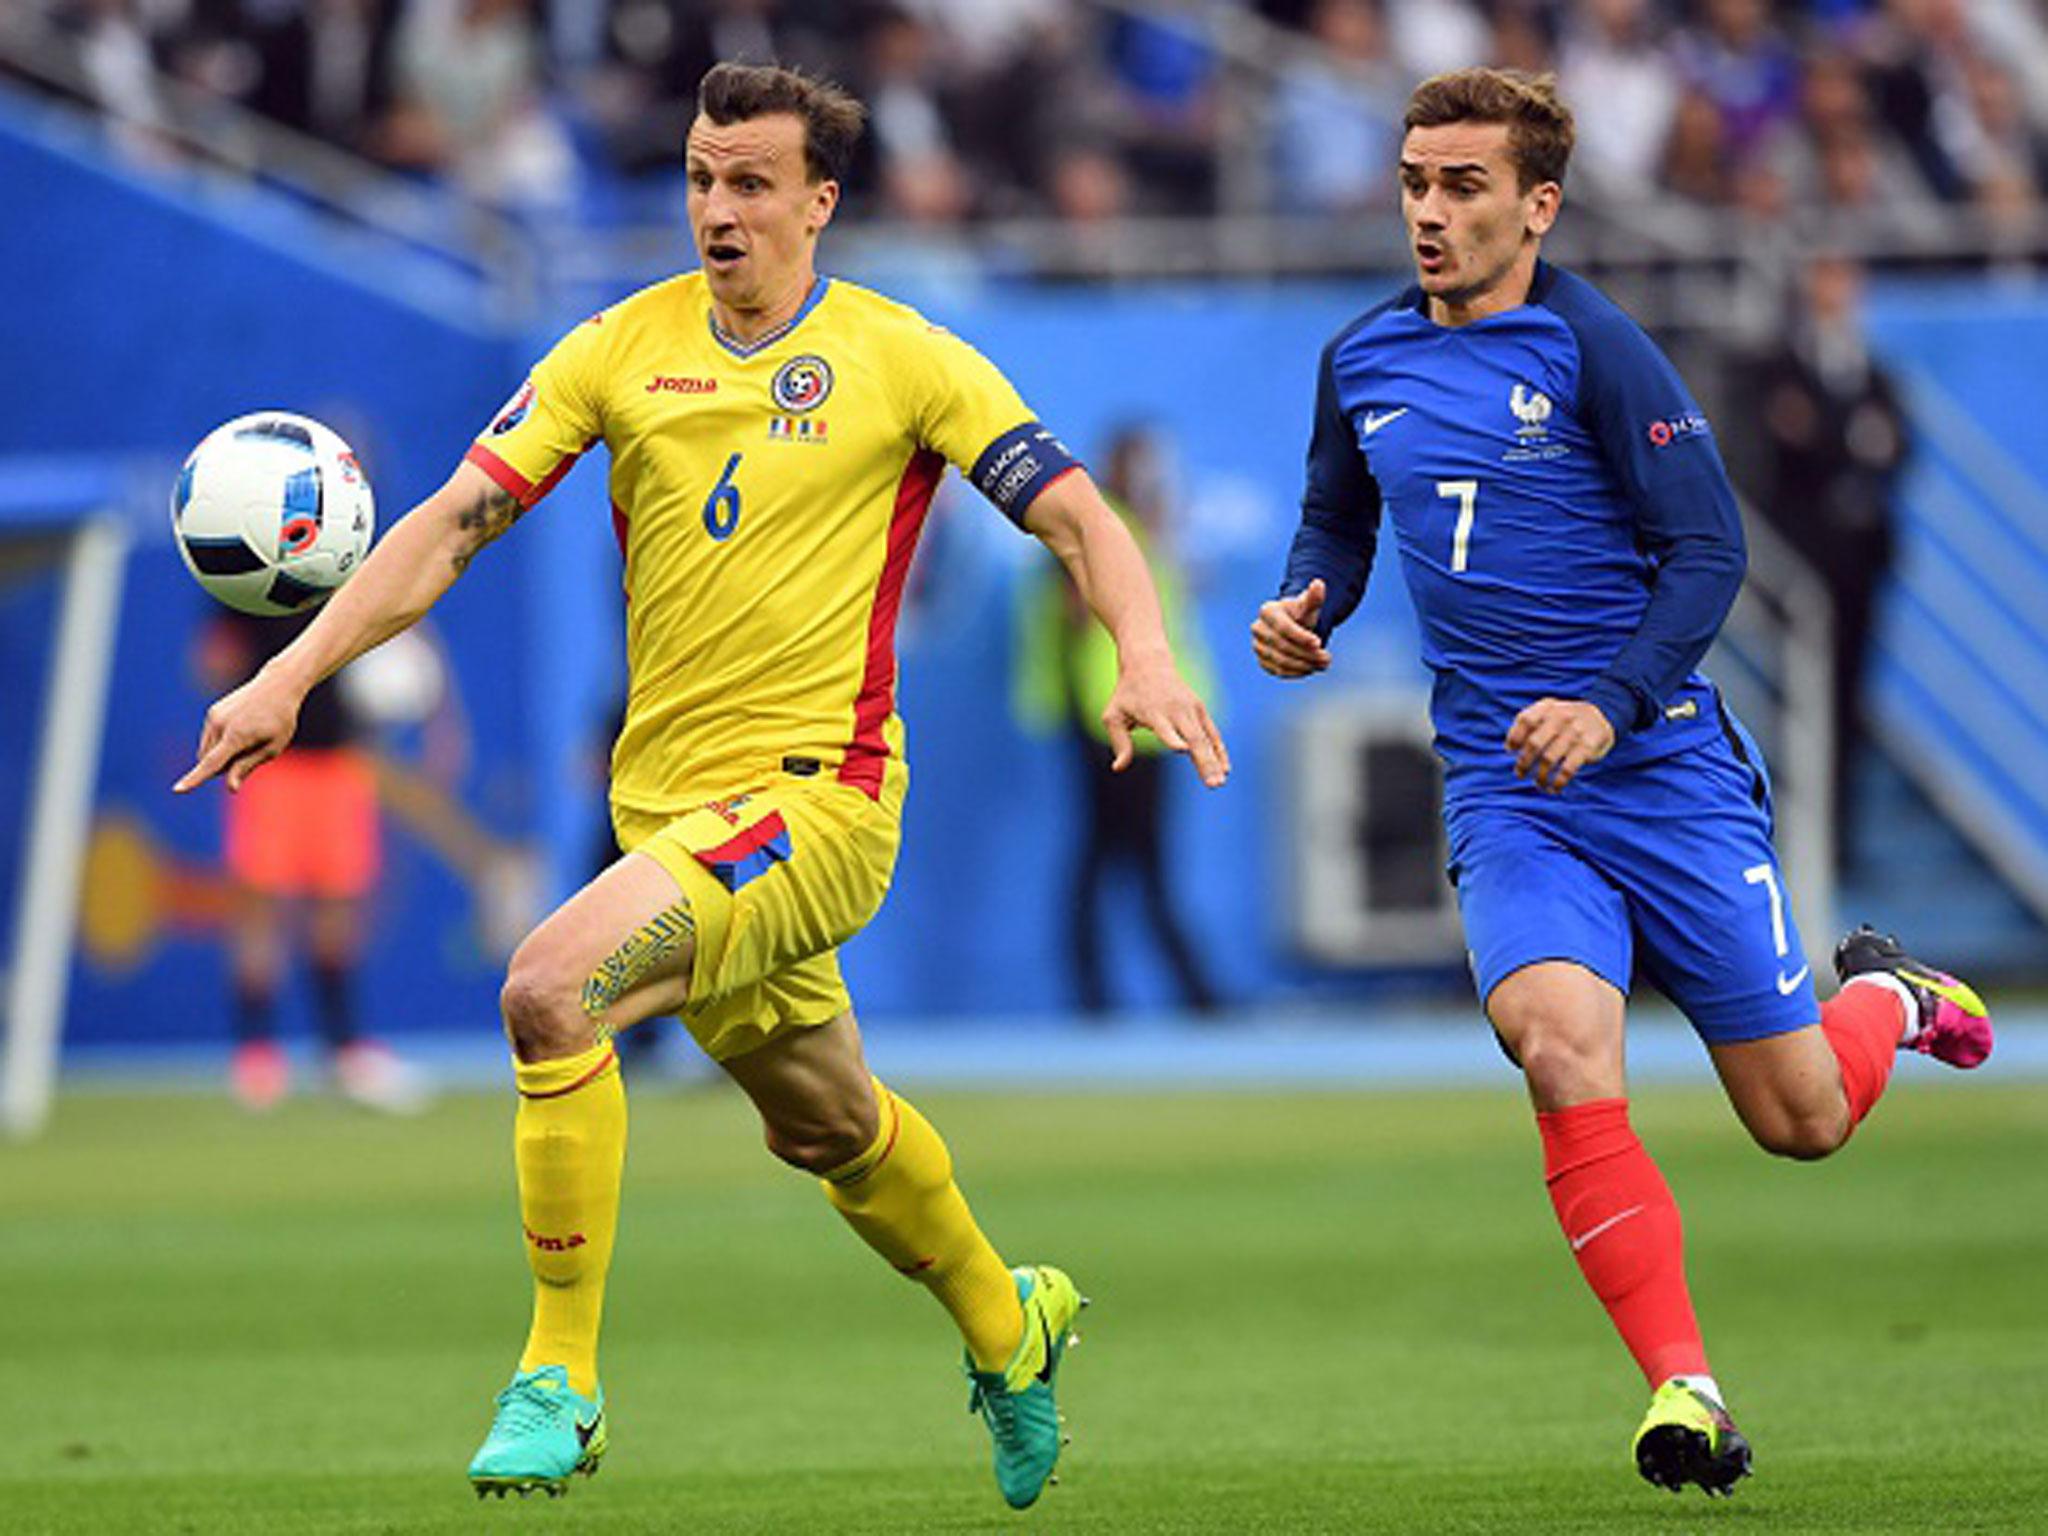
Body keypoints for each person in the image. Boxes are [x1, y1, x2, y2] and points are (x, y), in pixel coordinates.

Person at [176, 60, 1227, 1510]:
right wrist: (290, 674)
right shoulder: (621, 346)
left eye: (747, 183)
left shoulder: (905, 358)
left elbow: (1076, 514)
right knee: (827, 1127)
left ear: (819, 199)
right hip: (670, 817)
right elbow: (453, 521)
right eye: (696, 177)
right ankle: (1009, 1318)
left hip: (821, 800)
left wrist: (1148, 651)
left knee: (550, 986)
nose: (716, 209)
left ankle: (560, 1376)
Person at [1251, 67, 1992, 1498]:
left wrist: (1606, 701)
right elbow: (1335, 518)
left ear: (1540, 205)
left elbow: (1709, 555)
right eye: (1414, 182)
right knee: (1557, 1041)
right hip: (1507, 788)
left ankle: (1889, 997)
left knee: (1800, 1123)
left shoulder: (1599, 353)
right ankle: (1685, 1388)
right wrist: (1306, 604)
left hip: (1662, 776)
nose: (1428, 212)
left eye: (1462, 187)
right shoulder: (1361, 360)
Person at [1015, 423, 1220, 1016]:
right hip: (1113, 719)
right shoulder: (1100, 531)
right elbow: (1073, 617)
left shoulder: (1143, 533)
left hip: (1143, 724)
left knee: (1109, 857)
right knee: (1127, 859)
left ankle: (1105, 993)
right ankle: (1189, 993)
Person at [193, 606, 427, 1113]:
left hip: (339, 758)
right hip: (266, 762)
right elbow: (211, 660)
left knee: (337, 913)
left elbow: (397, 628)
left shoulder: (344, 570)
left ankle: (342, 1051)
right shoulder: (246, 572)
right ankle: (256, 1057)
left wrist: (393, 684)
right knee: (258, 912)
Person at [1745, 254, 1906, 871]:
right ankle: (1795, 843)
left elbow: (1897, 447)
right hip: (1808, 571)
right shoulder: (1783, 370)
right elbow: (1794, 449)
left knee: (1850, 703)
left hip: (1864, 564)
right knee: (1801, 705)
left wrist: (1835, 441)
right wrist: (1851, 443)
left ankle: (1839, 841)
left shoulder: (1871, 370)